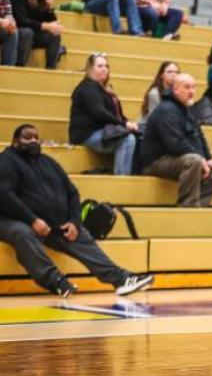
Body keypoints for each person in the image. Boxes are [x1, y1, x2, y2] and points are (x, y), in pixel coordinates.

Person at [0, 124, 154, 297]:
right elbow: (5, 196)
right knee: (23, 233)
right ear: (15, 141)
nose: (33, 141)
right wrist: (32, 220)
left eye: (36, 138)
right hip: (12, 220)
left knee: (80, 235)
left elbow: (72, 192)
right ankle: (56, 281)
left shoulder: (48, 162)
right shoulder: (6, 161)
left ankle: (121, 279)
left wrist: (74, 221)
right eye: (27, 138)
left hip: (52, 223)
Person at [141, 74, 212, 207]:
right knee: (194, 161)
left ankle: (198, 208)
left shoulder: (187, 109)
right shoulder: (166, 109)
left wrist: (208, 159)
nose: (191, 91)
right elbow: (174, 143)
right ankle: (187, 207)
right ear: (176, 89)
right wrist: (201, 159)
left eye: (194, 87)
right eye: (187, 87)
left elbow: (199, 137)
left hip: (177, 157)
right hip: (156, 161)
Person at [68, 53, 138, 175]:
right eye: (99, 66)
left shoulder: (104, 89)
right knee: (127, 139)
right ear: (90, 69)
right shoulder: (88, 88)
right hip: (87, 134)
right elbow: (99, 113)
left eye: (106, 66)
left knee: (137, 136)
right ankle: (122, 179)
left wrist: (129, 123)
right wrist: (124, 124)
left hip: (104, 131)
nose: (104, 69)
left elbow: (117, 114)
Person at [10, 0, 63, 69]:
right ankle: (20, 66)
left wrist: (49, 7)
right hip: (18, 32)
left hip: (34, 33)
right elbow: (21, 21)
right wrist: (44, 26)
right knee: (27, 32)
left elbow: (51, 21)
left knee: (54, 35)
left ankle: (51, 69)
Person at [0, 0, 27, 67]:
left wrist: (11, 22)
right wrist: (2, 21)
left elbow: (8, 12)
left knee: (13, 32)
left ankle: (8, 68)